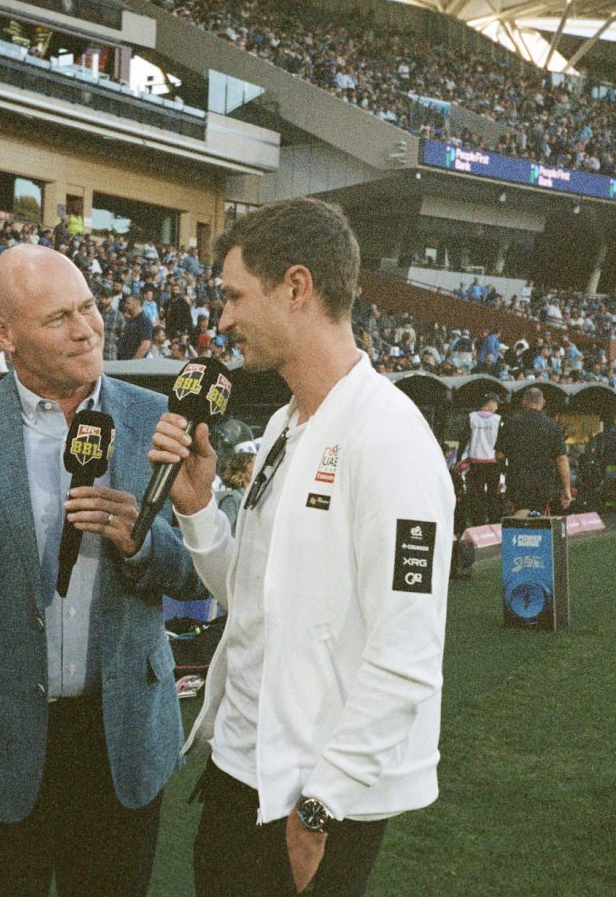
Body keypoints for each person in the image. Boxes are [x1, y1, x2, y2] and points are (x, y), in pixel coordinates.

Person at [0, 244, 209, 897]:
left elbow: (202, 575)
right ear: (4, 333)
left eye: (89, 307)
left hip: (120, 742)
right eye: (59, 317)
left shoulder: (157, 418)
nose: (86, 328)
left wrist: (140, 543)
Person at [148, 197, 452, 897]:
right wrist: (196, 511)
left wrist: (323, 803)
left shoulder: (390, 439)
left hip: (309, 798)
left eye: (233, 296)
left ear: (296, 286)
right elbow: (260, 594)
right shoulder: (288, 422)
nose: (221, 319)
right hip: (238, 770)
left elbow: (407, 653)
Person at [496, 387, 572, 515]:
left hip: (518, 479)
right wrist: (567, 489)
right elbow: (562, 459)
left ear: (523, 402)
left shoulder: (511, 424)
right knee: (538, 517)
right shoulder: (553, 427)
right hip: (544, 481)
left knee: (521, 512)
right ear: (543, 403)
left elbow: (499, 455)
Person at [459, 395, 502, 526]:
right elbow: (501, 442)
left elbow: (464, 439)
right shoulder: (497, 419)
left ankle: (478, 523)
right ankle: (494, 522)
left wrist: (458, 459)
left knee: (477, 495)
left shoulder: (471, 417)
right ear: (490, 403)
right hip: (492, 462)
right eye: (496, 404)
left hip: (476, 462)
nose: (497, 407)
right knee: (493, 494)